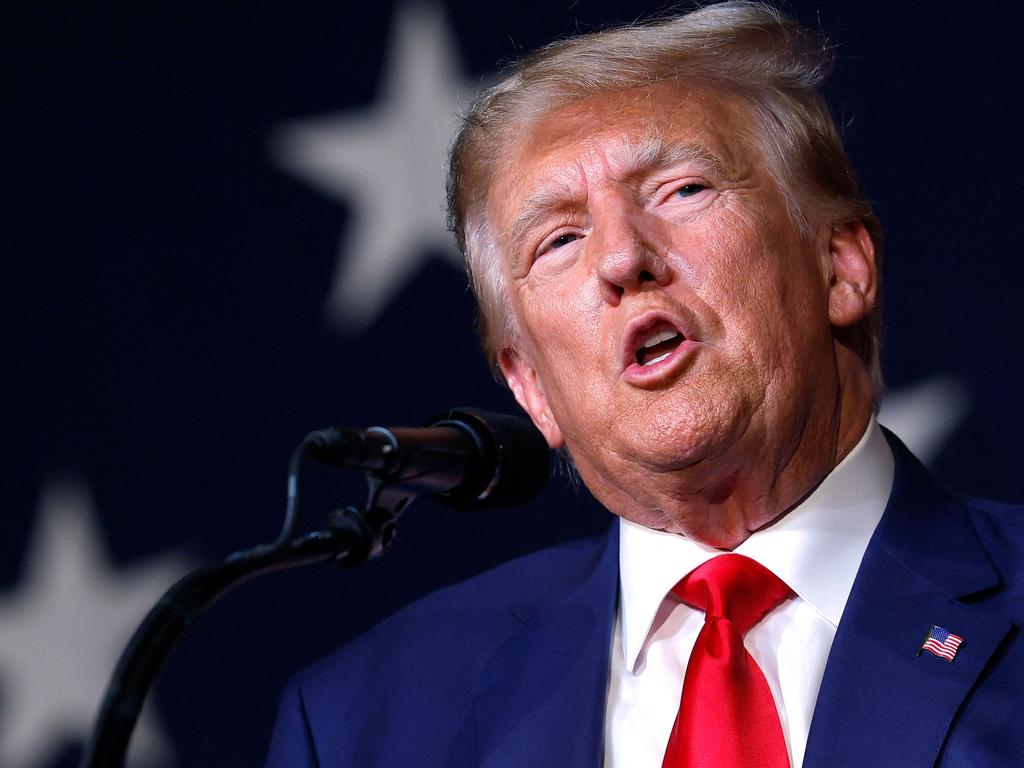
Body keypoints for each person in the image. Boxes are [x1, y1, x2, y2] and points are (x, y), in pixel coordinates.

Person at [264, 3, 1023, 766]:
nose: (623, 258)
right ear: (529, 387)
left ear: (841, 267)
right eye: (560, 238)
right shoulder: (362, 725)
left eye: (682, 189)